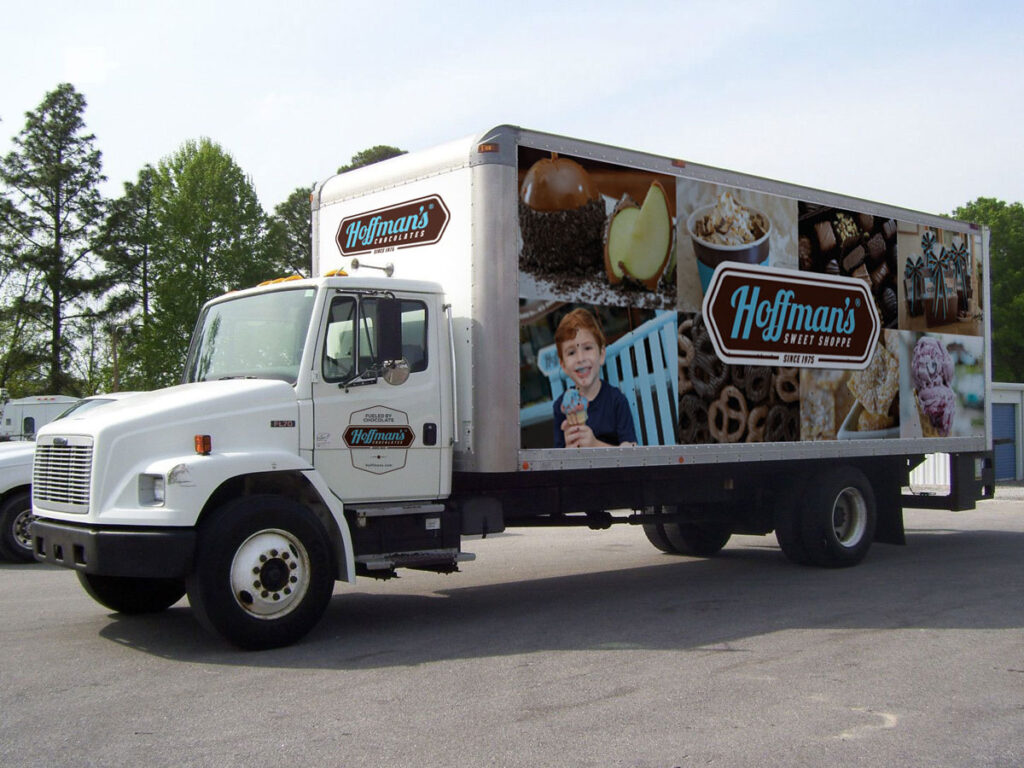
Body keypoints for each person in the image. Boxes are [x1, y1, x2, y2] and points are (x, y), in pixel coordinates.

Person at [551, 308, 637, 448]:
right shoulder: (561, 407)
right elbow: (558, 464)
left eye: (587, 348)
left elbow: (631, 453)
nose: (580, 358)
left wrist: (594, 444)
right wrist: (567, 451)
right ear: (564, 365)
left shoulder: (616, 401)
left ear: (601, 355)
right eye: (571, 352)